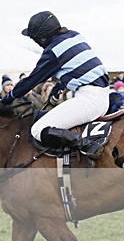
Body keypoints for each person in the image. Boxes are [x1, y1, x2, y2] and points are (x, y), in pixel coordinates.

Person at [0, 11, 110, 154]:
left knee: (38, 129)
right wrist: (57, 90)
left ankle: (88, 146)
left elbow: (30, 81)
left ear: (43, 38)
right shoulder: (74, 35)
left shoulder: (53, 52)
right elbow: (75, 69)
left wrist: (5, 100)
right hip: (100, 96)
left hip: (89, 101)